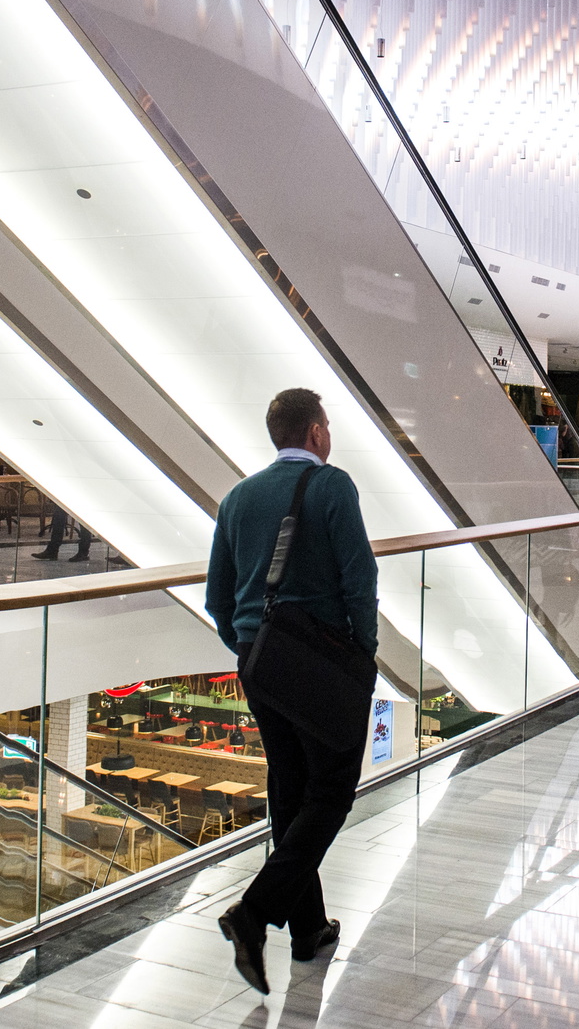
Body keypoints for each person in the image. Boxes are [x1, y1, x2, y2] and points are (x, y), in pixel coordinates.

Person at [206, 389, 379, 994]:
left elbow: (216, 599)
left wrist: (249, 644)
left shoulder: (237, 497)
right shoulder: (332, 487)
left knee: (289, 789)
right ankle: (253, 914)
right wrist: (365, 652)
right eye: (326, 426)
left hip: (261, 664)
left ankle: (307, 929)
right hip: (322, 664)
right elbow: (360, 577)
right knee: (331, 792)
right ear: (314, 432)